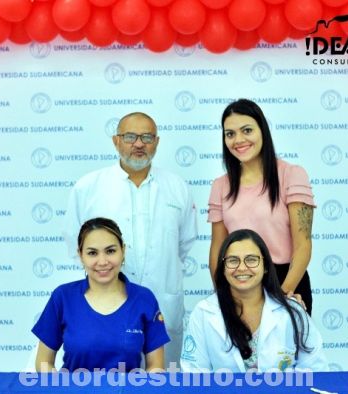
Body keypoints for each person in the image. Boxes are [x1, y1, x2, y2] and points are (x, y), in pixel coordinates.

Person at [64, 112, 197, 366]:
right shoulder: (88, 187)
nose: (139, 144)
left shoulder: (177, 187)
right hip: (105, 307)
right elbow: (76, 244)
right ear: (116, 141)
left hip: (163, 306)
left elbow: (184, 244)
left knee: (162, 380)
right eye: (130, 137)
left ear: (157, 142)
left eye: (147, 137)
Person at [208, 99, 316, 314]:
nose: (238, 140)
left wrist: (282, 298)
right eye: (230, 134)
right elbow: (217, 249)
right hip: (239, 284)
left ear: (263, 131)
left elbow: (303, 246)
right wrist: (223, 294)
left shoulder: (291, 174)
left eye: (246, 130)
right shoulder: (220, 185)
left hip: (287, 283)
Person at [33, 217, 169, 372]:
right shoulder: (63, 297)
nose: (102, 261)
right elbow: (44, 362)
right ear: (80, 255)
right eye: (92, 253)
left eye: (110, 251)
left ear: (123, 251)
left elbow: (156, 368)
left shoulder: (144, 299)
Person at [181, 229, 327, 372]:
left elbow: (315, 369)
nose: (242, 268)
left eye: (251, 260)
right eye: (233, 261)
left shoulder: (293, 311)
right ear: (223, 268)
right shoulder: (203, 313)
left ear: (265, 267)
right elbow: (194, 374)